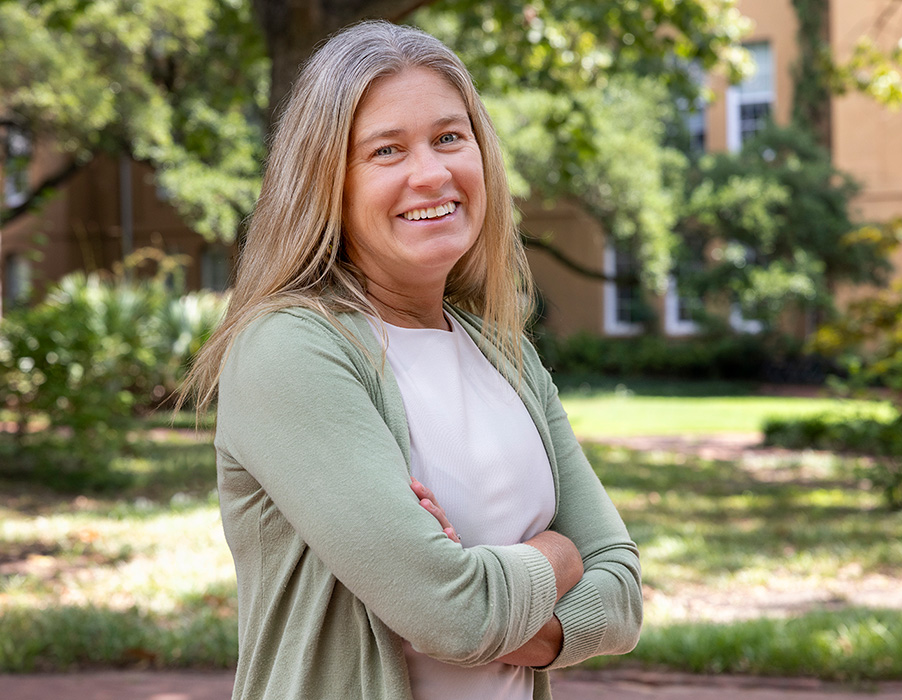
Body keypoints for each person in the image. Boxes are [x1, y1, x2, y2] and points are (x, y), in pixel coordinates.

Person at [183, 19, 642, 700]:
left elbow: (622, 595)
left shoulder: (504, 354)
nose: (431, 174)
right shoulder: (290, 348)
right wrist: (557, 555)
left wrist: (519, 620)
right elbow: (453, 615)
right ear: (326, 183)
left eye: (449, 138)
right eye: (387, 151)